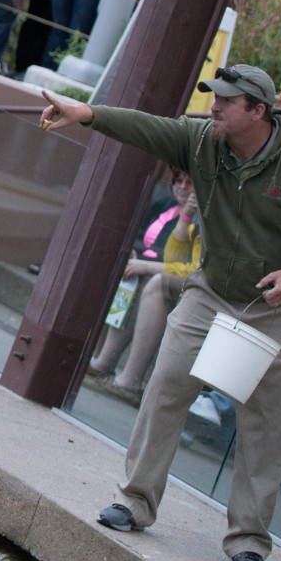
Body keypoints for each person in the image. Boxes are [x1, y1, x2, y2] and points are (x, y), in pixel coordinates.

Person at [40, 65, 281, 561]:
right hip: (211, 292)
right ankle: (135, 502)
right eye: (215, 97)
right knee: (166, 385)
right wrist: (86, 115)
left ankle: (249, 542)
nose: (215, 107)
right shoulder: (203, 139)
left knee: (267, 425)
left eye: (227, 102)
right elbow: (146, 127)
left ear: (260, 111)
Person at [87, 170, 202, 401]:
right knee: (131, 271)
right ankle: (104, 361)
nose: (182, 187)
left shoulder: (207, 219)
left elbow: (191, 267)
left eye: (189, 184)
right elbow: (158, 244)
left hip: (191, 285)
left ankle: (130, 379)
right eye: (178, 181)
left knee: (148, 278)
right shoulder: (165, 205)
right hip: (154, 266)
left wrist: (188, 217)